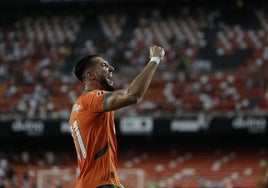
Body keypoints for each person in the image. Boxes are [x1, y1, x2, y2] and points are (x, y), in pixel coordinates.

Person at [69, 45, 165, 188]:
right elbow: (132, 95)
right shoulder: (91, 99)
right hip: (100, 184)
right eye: (104, 65)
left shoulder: (81, 105)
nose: (111, 68)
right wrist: (155, 59)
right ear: (90, 75)